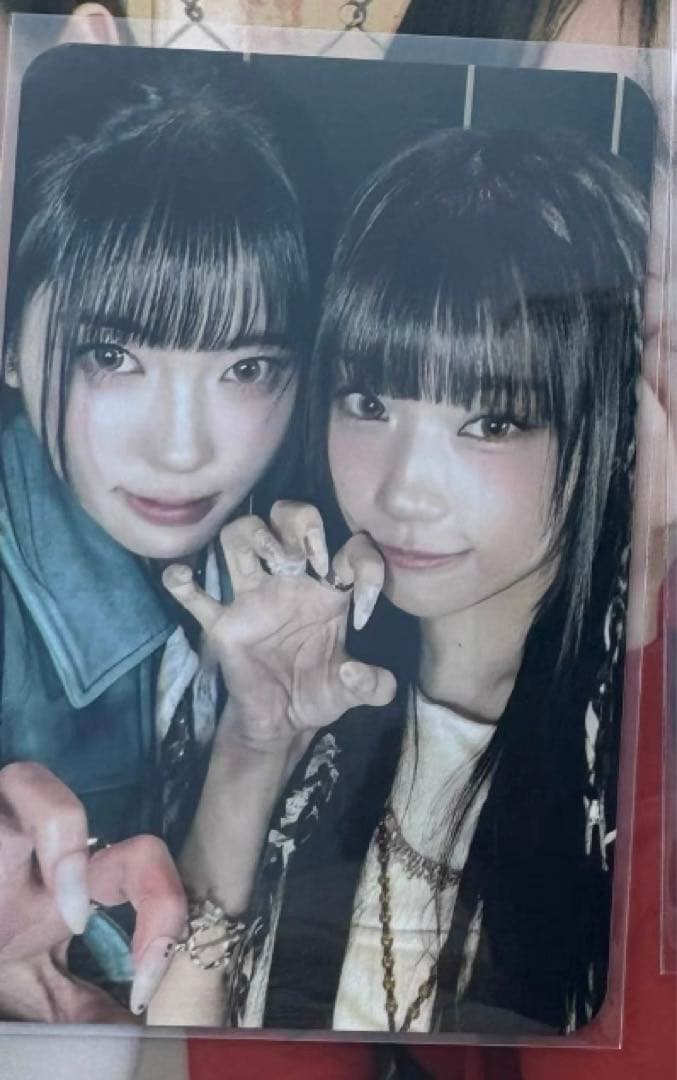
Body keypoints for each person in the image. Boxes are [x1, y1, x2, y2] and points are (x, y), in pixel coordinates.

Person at [150, 125, 652, 1036]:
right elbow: (163, 1058)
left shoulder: (629, 760)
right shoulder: (292, 674)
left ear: (620, 422)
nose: (401, 491)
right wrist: (252, 752)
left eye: (492, 421)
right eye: (370, 402)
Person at [0, 50, 392, 1028]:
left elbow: (176, 1031)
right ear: (9, 342)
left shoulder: (327, 561)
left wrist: (256, 746)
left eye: (248, 366)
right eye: (112, 355)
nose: (183, 450)